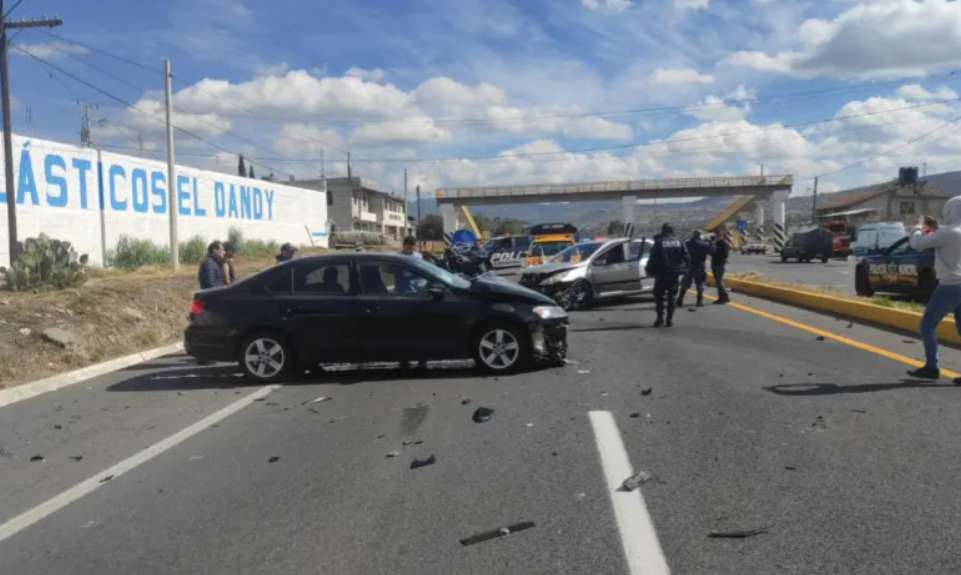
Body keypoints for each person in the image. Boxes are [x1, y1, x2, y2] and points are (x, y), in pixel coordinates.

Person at [906, 198, 961, 380]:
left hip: (950, 286)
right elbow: (946, 241)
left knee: (927, 325)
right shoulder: (951, 232)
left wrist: (917, 226)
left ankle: (932, 367)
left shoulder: (949, 232)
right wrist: (936, 228)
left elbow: (917, 243)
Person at [645, 223, 689, 327]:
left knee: (658, 295)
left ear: (663, 230)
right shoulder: (679, 241)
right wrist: (684, 270)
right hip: (674, 274)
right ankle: (669, 320)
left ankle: (660, 318)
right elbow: (687, 257)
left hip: (662, 274)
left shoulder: (659, 242)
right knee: (672, 297)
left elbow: (653, 258)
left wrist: (649, 270)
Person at [677, 230, 713, 308]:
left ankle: (679, 301)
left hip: (689, 267)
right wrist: (710, 242)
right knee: (700, 284)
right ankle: (699, 302)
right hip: (699, 267)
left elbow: (681, 253)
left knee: (684, 284)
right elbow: (712, 251)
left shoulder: (687, 243)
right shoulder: (703, 244)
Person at [712, 228, 731, 304]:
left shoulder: (724, 244)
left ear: (721, 236)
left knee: (719, 282)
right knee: (718, 282)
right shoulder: (715, 243)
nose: (716, 236)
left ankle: (725, 297)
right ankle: (720, 298)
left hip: (720, 264)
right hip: (715, 264)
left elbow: (725, 255)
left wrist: (716, 253)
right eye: (716, 235)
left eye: (718, 235)